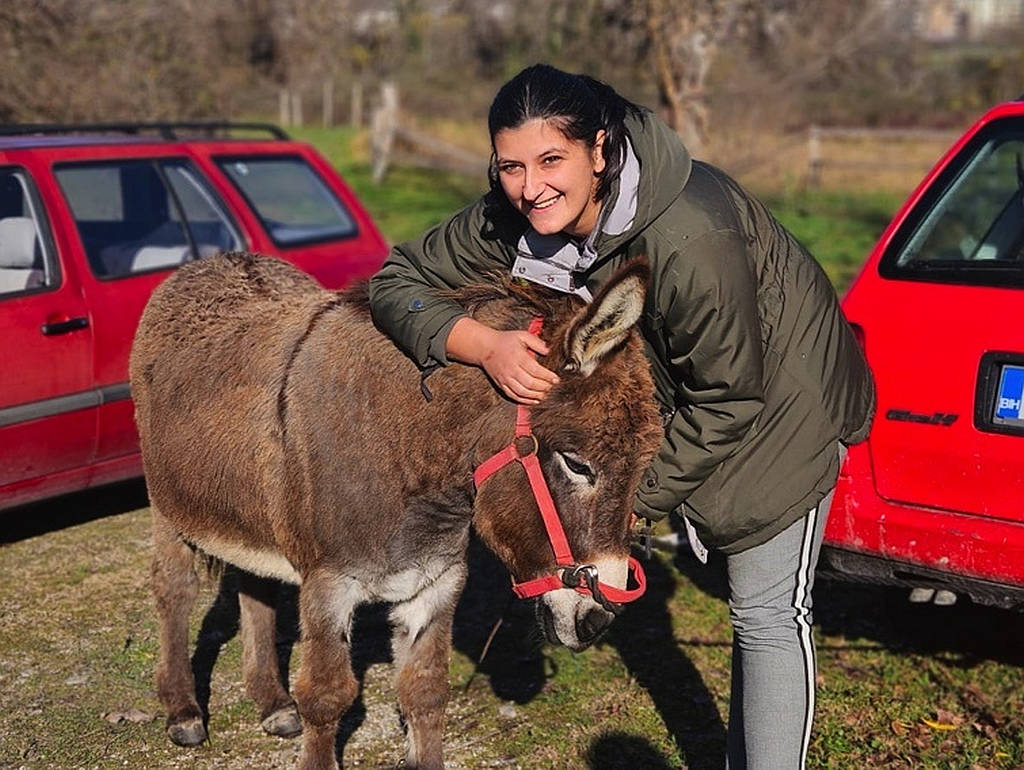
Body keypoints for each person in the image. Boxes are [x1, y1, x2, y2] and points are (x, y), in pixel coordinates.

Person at [368, 63, 875, 769]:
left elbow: (730, 395)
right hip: (676, 405)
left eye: (552, 160)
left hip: (779, 407)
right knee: (741, 607)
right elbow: (396, 282)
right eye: (510, 165)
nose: (530, 186)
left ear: (600, 151)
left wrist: (622, 505)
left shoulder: (688, 232)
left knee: (765, 615)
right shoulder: (515, 215)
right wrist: (482, 345)